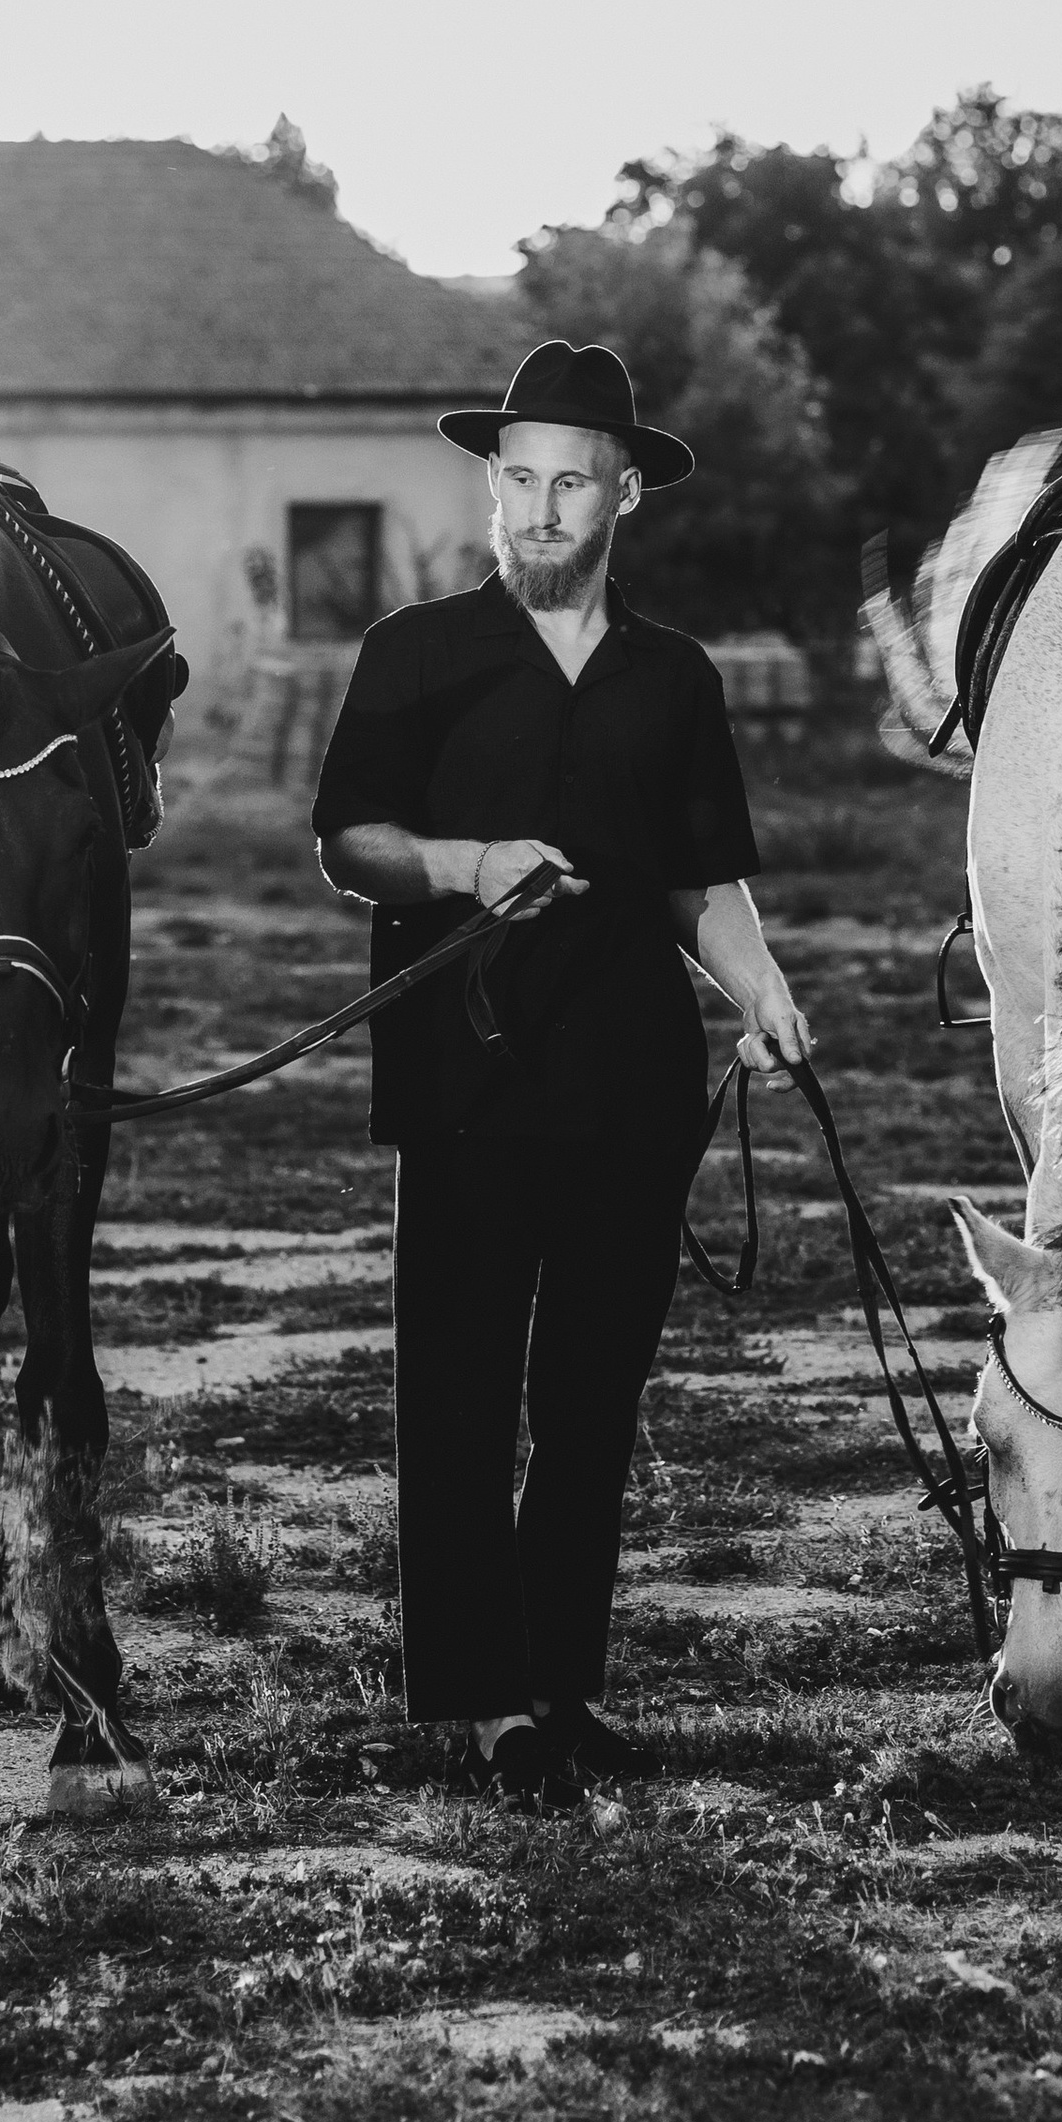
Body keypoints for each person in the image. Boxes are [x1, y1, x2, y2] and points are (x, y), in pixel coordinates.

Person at [311, 336, 812, 1809]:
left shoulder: (675, 681)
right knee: (459, 1397)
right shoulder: (416, 653)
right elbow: (351, 840)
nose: (535, 510)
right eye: (515, 480)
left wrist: (766, 990)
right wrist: (465, 863)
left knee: (593, 1399)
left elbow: (698, 882)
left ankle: (562, 1683)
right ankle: (482, 1704)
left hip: (632, 1089)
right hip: (465, 1085)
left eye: (569, 484)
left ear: (624, 494)